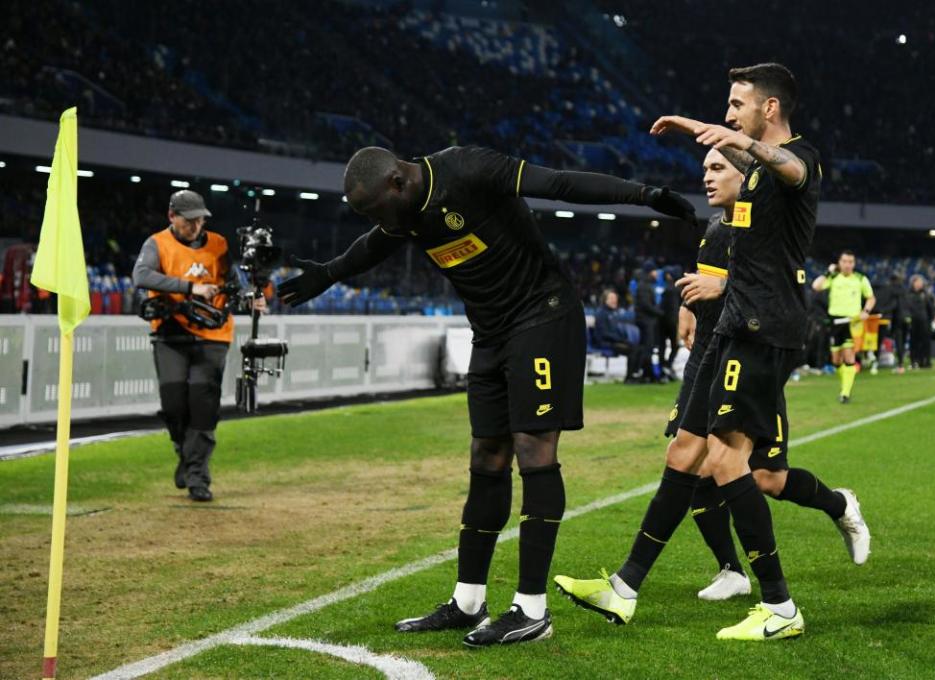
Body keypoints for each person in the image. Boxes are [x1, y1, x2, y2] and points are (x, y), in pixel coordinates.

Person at [278, 144, 695, 647]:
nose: (376, 221)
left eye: (374, 209)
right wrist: (328, 272)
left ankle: (532, 610)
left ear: (396, 181)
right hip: (491, 333)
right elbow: (375, 244)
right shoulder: (402, 213)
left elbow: (559, 183)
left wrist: (645, 194)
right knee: (487, 454)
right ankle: (468, 600)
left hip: (543, 313)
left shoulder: (466, 169)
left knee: (533, 448)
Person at [556, 63, 867, 641]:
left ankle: (779, 606)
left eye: (736, 105)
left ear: (768, 109)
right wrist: (700, 129)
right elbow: (744, 173)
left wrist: (740, 140)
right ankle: (623, 589)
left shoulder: (801, 157)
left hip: (763, 328)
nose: (729, 115)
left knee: (731, 464)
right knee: (684, 453)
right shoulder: (752, 174)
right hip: (731, 326)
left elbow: (792, 169)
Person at [666, 149, 869, 603]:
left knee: (766, 479)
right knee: (696, 463)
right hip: (710, 361)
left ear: (748, 179)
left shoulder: (762, 230)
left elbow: (773, 288)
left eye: (718, 168)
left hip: (753, 361)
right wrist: (687, 303)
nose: (707, 177)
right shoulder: (716, 230)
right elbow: (709, 283)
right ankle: (731, 571)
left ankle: (840, 505)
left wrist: (720, 289)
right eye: (704, 168)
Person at [133, 190, 264, 502]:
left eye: (200, 220)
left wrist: (252, 296)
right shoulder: (157, 244)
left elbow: (238, 280)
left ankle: (197, 477)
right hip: (170, 333)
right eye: (189, 221)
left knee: (204, 406)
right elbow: (141, 275)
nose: (195, 226)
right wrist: (190, 287)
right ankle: (186, 455)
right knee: (174, 404)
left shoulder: (219, 244)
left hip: (213, 336)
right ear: (172, 217)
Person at [811, 251, 876, 403]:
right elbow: (816, 286)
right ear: (839, 263)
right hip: (834, 321)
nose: (847, 265)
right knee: (836, 360)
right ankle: (844, 386)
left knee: (849, 355)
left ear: (854, 264)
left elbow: (871, 298)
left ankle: (845, 393)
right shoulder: (833, 277)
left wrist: (865, 311)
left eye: (850, 262)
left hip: (852, 322)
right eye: (845, 261)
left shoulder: (860, 279)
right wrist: (828, 271)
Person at [594, 289, 644, 382]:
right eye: (612, 298)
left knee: (640, 348)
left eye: (615, 298)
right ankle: (629, 377)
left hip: (615, 341)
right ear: (605, 300)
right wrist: (621, 340)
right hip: (606, 342)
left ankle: (635, 374)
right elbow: (604, 333)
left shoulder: (615, 312)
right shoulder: (601, 313)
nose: (614, 300)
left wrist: (622, 339)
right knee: (633, 350)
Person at [905, 274, 934, 368]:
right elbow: (906, 309)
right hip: (913, 322)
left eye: (921, 282)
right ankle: (914, 361)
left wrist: (931, 318)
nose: (921, 284)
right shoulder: (908, 294)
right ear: (913, 283)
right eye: (919, 282)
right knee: (914, 342)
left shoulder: (925, 294)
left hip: (924, 322)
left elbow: (930, 308)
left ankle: (926, 361)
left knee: (925, 342)